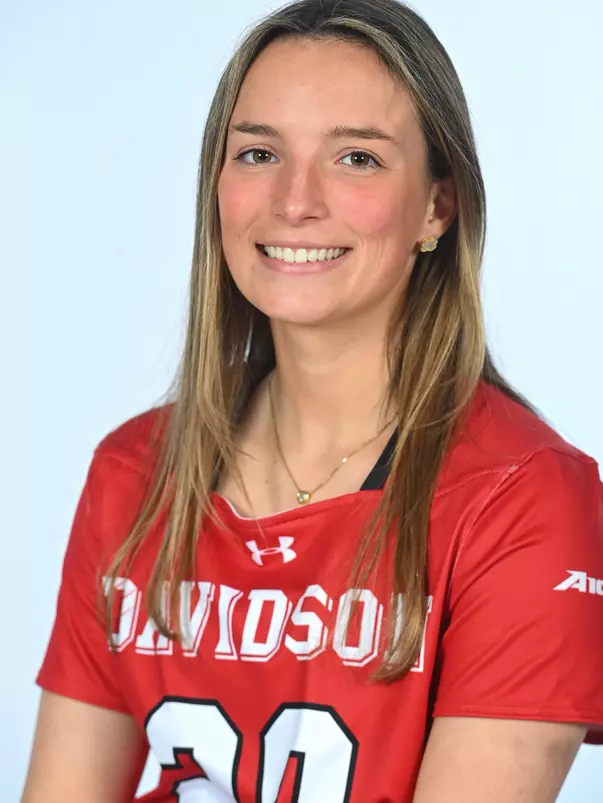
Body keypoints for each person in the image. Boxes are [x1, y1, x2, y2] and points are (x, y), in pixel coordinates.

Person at [22, 0, 603, 801]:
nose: (294, 201)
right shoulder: (133, 473)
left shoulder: (522, 495)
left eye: (356, 159)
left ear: (437, 206)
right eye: (258, 152)